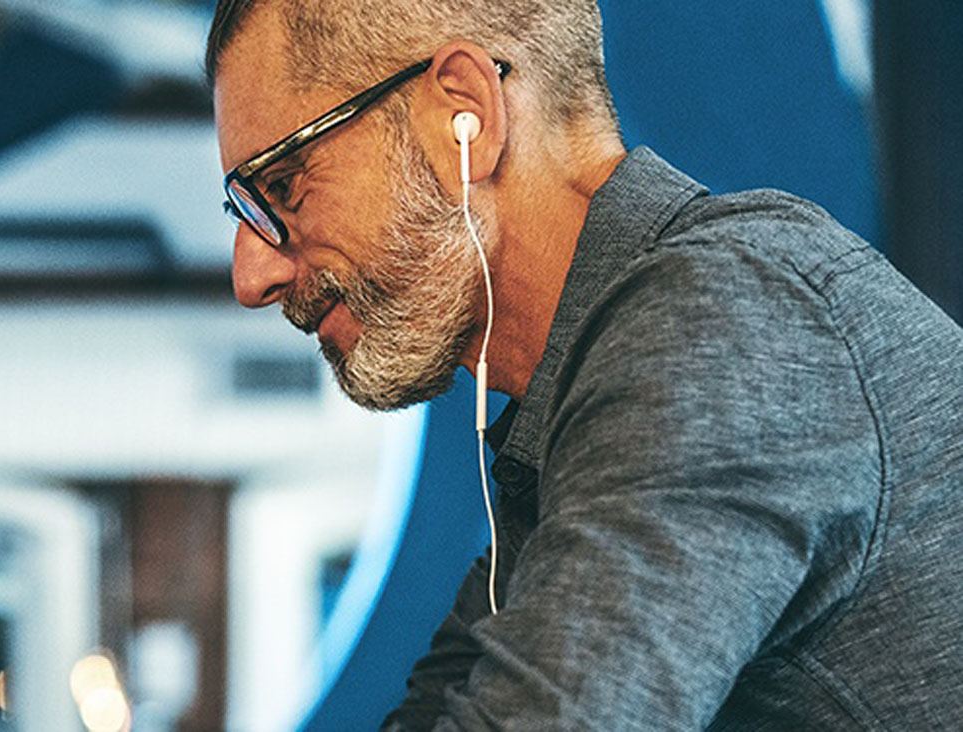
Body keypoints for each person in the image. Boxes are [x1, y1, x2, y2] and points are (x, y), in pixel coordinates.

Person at [207, 0, 963, 728]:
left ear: (462, 112)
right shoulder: (576, 419)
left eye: (281, 186)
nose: (251, 277)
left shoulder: (718, 320)